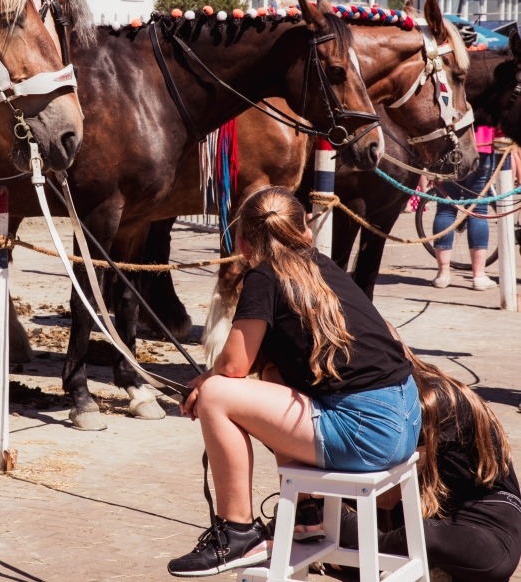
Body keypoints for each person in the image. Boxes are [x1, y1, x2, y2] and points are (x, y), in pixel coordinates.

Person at [166, 186, 420, 578]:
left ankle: (237, 533)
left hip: (366, 433)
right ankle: (307, 513)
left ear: (244, 243)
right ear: (305, 228)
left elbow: (233, 366)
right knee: (272, 373)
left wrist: (205, 380)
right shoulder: (321, 265)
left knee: (217, 395)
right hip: (404, 418)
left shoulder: (263, 277)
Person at [339, 346, 521, 582]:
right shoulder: (407, 393)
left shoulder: (433, 400)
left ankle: (340, 543)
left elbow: (387, 496)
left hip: (489, 523)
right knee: (404, 537)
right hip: (433, 513)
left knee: (420, 537)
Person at [429, 125, 499, 291]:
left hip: (447, 146)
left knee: (445, 209)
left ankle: (443, 274)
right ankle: (479, 275)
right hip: (480, 145)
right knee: (478, 210)